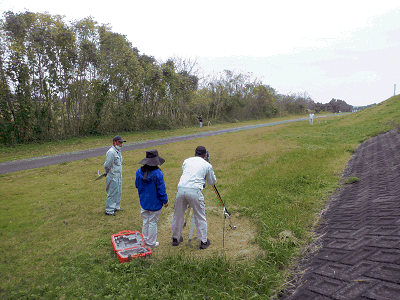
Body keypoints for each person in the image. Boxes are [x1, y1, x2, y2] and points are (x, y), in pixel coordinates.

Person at [171, 146, 217, 249]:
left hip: (181, 188)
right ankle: (203, 241)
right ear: (205, 155)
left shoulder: (186, 161)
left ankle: (175, 238)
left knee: (178, 214)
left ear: (195, 153)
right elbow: (212, 182)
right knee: (200, 215)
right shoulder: (207, 165)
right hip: (194, 190)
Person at [135, 149, 169, 249]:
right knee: (152, 222)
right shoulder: (158, 173)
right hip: (155, 204)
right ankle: (151, 243)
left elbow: (137, 185)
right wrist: (165, 201)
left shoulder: (138, 171)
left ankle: (144, 239)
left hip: (144, 202)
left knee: (145, 221)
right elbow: (161, 190)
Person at [104, 135, 126, 216]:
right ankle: (109, 210)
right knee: (112, 192)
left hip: (118, 175)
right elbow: (107, 165)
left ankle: (116, 207)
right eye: (119, 142)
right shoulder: (111, 152)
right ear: (114, 142)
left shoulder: (117, 151)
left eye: (121, 143)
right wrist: (107, 172)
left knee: (118, 191)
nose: (121, 144)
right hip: (113, 175)